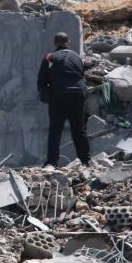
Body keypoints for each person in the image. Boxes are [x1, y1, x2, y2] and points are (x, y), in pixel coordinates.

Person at [37, 32, 90, 168]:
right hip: (77, 94)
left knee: (55, 129)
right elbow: (82, 73)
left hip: (58, 95)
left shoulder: (50, 58)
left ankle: (51, 162)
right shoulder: (77, 57)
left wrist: (45, 94)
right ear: (68, 43)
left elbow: (42, 81)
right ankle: (85, 161)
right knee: (78, 128)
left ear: (55, 44)